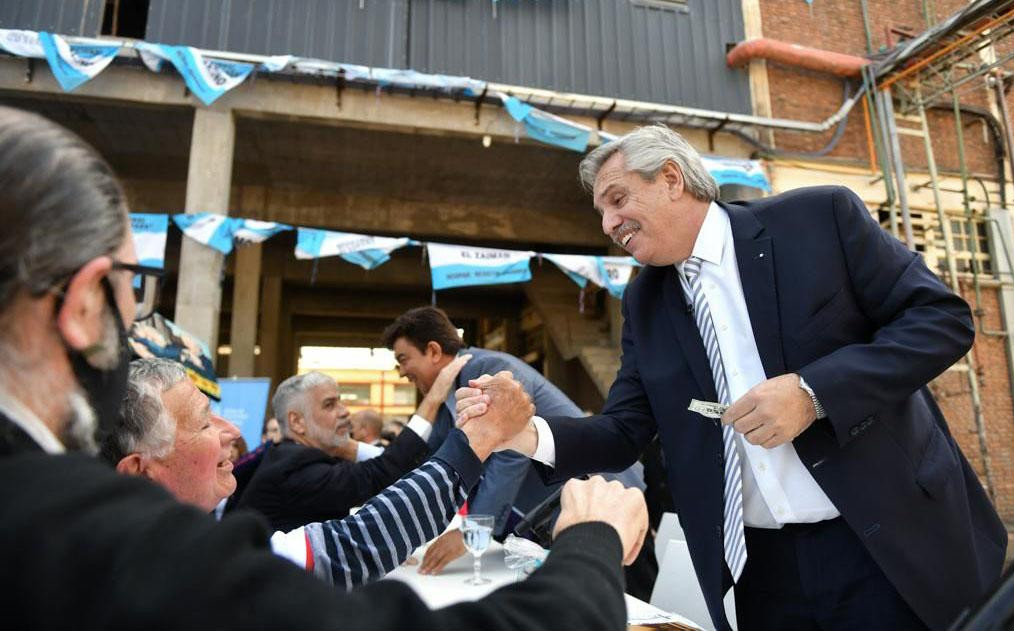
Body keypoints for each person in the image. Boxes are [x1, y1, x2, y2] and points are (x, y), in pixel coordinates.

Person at [0, 105, 647, 631]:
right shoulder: (84, 534)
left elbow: (346, 544)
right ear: (84, 302)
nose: (234, 434)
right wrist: (589, 543)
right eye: (130, 284)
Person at [457, 125, 1007, 630]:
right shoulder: (645, 301)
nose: (607, 224)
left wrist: (813, 393)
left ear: (671, 178)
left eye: (618, 200)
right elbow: (625, 428)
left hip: (884, 541)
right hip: (761, 572)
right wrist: (522, 431)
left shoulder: (818, 219)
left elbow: (941, 319)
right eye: (600, 211)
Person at [107, 357, 545, 589]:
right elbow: (354, 543)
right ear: (141, 472)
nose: (232, 432)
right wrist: (473, 438)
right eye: (204, 422)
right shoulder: (174, 569)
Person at [382, 306, 647, 578]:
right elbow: (436, 461)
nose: (401, 372)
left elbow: (511, 453)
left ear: (434, 351)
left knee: (626, 599)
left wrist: (472, 531)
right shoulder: (448, 399)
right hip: (557, 510)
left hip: (607, 492)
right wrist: (402, 526)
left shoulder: (488, 370)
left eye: (404, 359)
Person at [228, 362, 466, 532]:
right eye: (330, 405)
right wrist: (434, 398)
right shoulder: (296, 468)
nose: (344, 411)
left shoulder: (287, 455)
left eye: (340, 401)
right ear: (297, 422)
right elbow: (381, 474)